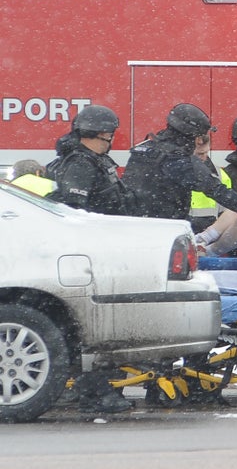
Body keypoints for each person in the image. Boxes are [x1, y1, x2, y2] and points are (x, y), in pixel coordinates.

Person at [46, 104, 134, 413]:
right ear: (101, 133)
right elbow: (75, 212)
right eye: (110, 134)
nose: (111, 139)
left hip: (93, 253)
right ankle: (94, 392)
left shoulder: (89, 161)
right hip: (89, 258)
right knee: (94, 328)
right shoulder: (81, 165)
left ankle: (94, 389)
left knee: (91, 327)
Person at [122, 103, 237, 224]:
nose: (198, 142)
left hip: (131, 226)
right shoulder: (178, 160)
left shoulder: (144, 148)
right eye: (198, 137)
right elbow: (218, 191)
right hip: (163, 231)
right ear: (188, 135)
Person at [46, 105, 133, 216]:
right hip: (96, 229)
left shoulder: (96, 159)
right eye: (112, 133)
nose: (113, 137)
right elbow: (73, 211)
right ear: (103, 134)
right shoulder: (81, 165)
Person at [188, 134, 232, 233]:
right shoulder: (176, 173)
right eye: (199, 154)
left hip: (207, 236)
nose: (203, 158)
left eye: (205, 153)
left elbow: (226, 216)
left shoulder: (221, 176)